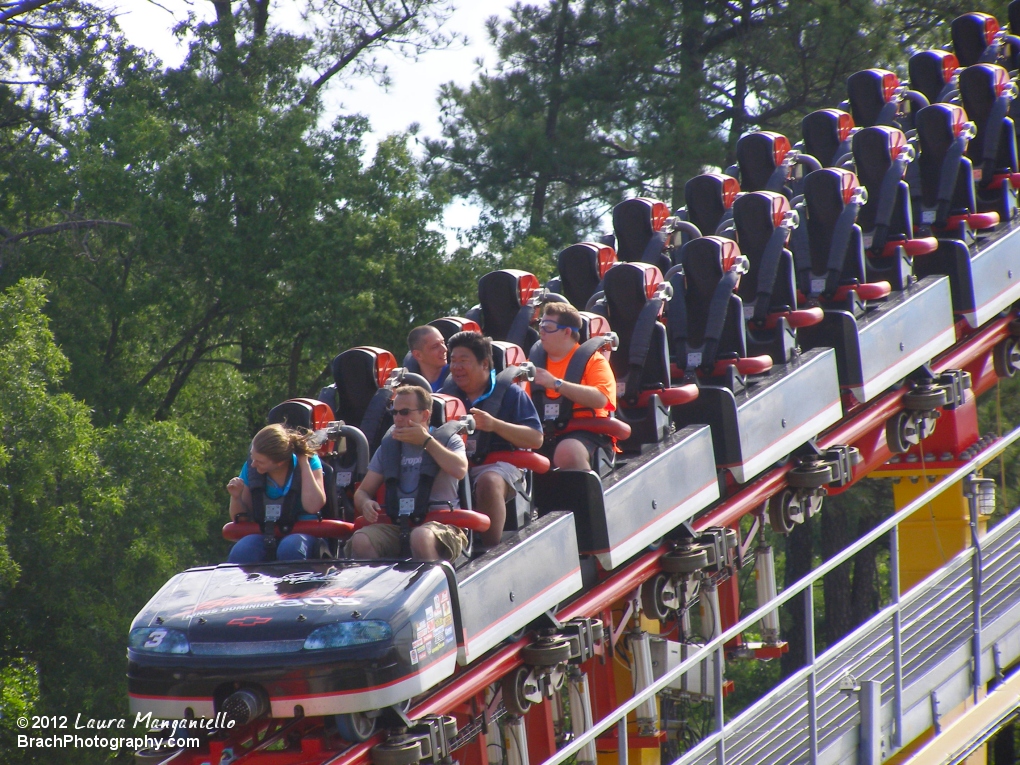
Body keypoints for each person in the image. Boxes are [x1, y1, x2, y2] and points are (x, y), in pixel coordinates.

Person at [445, 331, 543, 547]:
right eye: (453, 361)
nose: (456, 367)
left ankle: (488, 550)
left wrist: (494, 425)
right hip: (457, 465)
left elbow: (536, 439)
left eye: (464, 361)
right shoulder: (447, 397)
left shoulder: (511, 393)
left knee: (489, 481)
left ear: (484, 364)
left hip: (501, 465)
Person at [349, 385, 469, 561]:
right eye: (394, 412)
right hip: (400, 526)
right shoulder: (388, 448)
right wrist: (366, 503)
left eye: (404, 412)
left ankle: (436, 587)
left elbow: (460, 470)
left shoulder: (449, 440)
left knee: (421, 537)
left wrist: (427, 442)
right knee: (361, 540)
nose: (397, 418)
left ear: (425, 415)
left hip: (442, 526)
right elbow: (362, 492)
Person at [531, 302, 618, 470]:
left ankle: (584, 495)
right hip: (541, 435)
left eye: (548, 327)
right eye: (541, 325)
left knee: (567, 451)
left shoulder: (594, 361)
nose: (541, 331)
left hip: (588, 435)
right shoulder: (533, 364)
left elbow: (601, 399)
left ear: (567, 332)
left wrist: (556, 384)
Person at [226, 424, 327, 563]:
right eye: (252, 458)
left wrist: (303, 463)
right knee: (241, 552)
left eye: (260, 461)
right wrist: (236, 497)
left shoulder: (309, 461)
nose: (254, 464)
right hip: (264, 532)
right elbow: (241, 519)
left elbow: (313, 506)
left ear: (279, 462)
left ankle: (293, 585)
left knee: (290, 549)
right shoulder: (252, 468)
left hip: (302, 531)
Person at [407, 325, 449, 392]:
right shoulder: (407, 386)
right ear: (418, 355)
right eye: (435, 346)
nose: (445, 349)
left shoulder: (457, 378)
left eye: (443, 342)